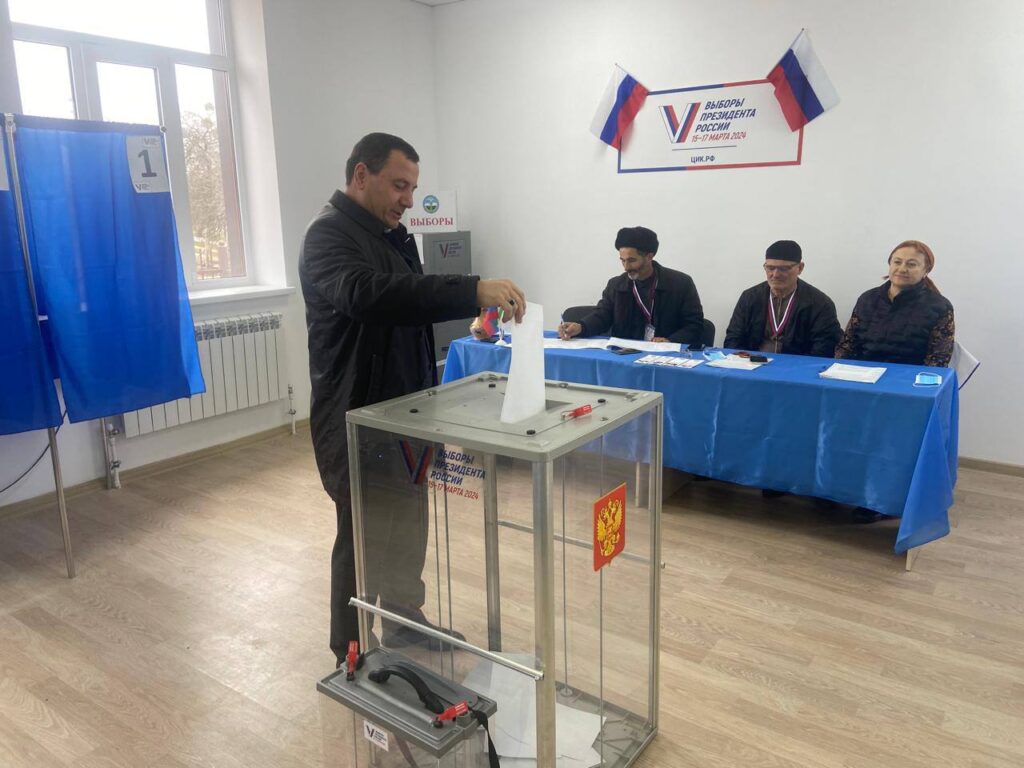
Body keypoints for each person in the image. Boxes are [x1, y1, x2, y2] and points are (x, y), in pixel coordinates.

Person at [298, 132, 525, 665]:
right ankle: (351, 647)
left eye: (413, 188)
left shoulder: (393, 234)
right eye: (399, 185)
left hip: (407, 411)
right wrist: (469, 288)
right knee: (362, 533)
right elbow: (369, 296)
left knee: (408, 520)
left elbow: (410, 310)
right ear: (361, 175)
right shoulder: (327, 236)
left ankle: (403, 619)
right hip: (357, 413)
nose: (408, 199)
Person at [557, 226, 704, 346]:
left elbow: (694, 326)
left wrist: (670, 341)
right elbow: (602, 316)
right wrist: (581, 327)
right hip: (625, 356)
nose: (626, 267)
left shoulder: (681, 284)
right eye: (622, 260)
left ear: (649, 257)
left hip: (664, 357)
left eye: (632, 260)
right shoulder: (616, 285)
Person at [835, 240, 954, 367]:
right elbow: (846, 346)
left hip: (909, 377)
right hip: (861, 374)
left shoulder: (939, 307)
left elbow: (938, 360)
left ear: (926, 270)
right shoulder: (867, 299)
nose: (902, 269)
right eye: (897, 262)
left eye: (911, 264)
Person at [723, 240, 841, 356]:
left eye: (784, 269)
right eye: (770, 268)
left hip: (796, 366)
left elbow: (822, 351)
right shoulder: (749, 297)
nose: (775, 274)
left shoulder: (820, 304)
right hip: (752, 364)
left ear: (800, 268)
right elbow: (733, 340)